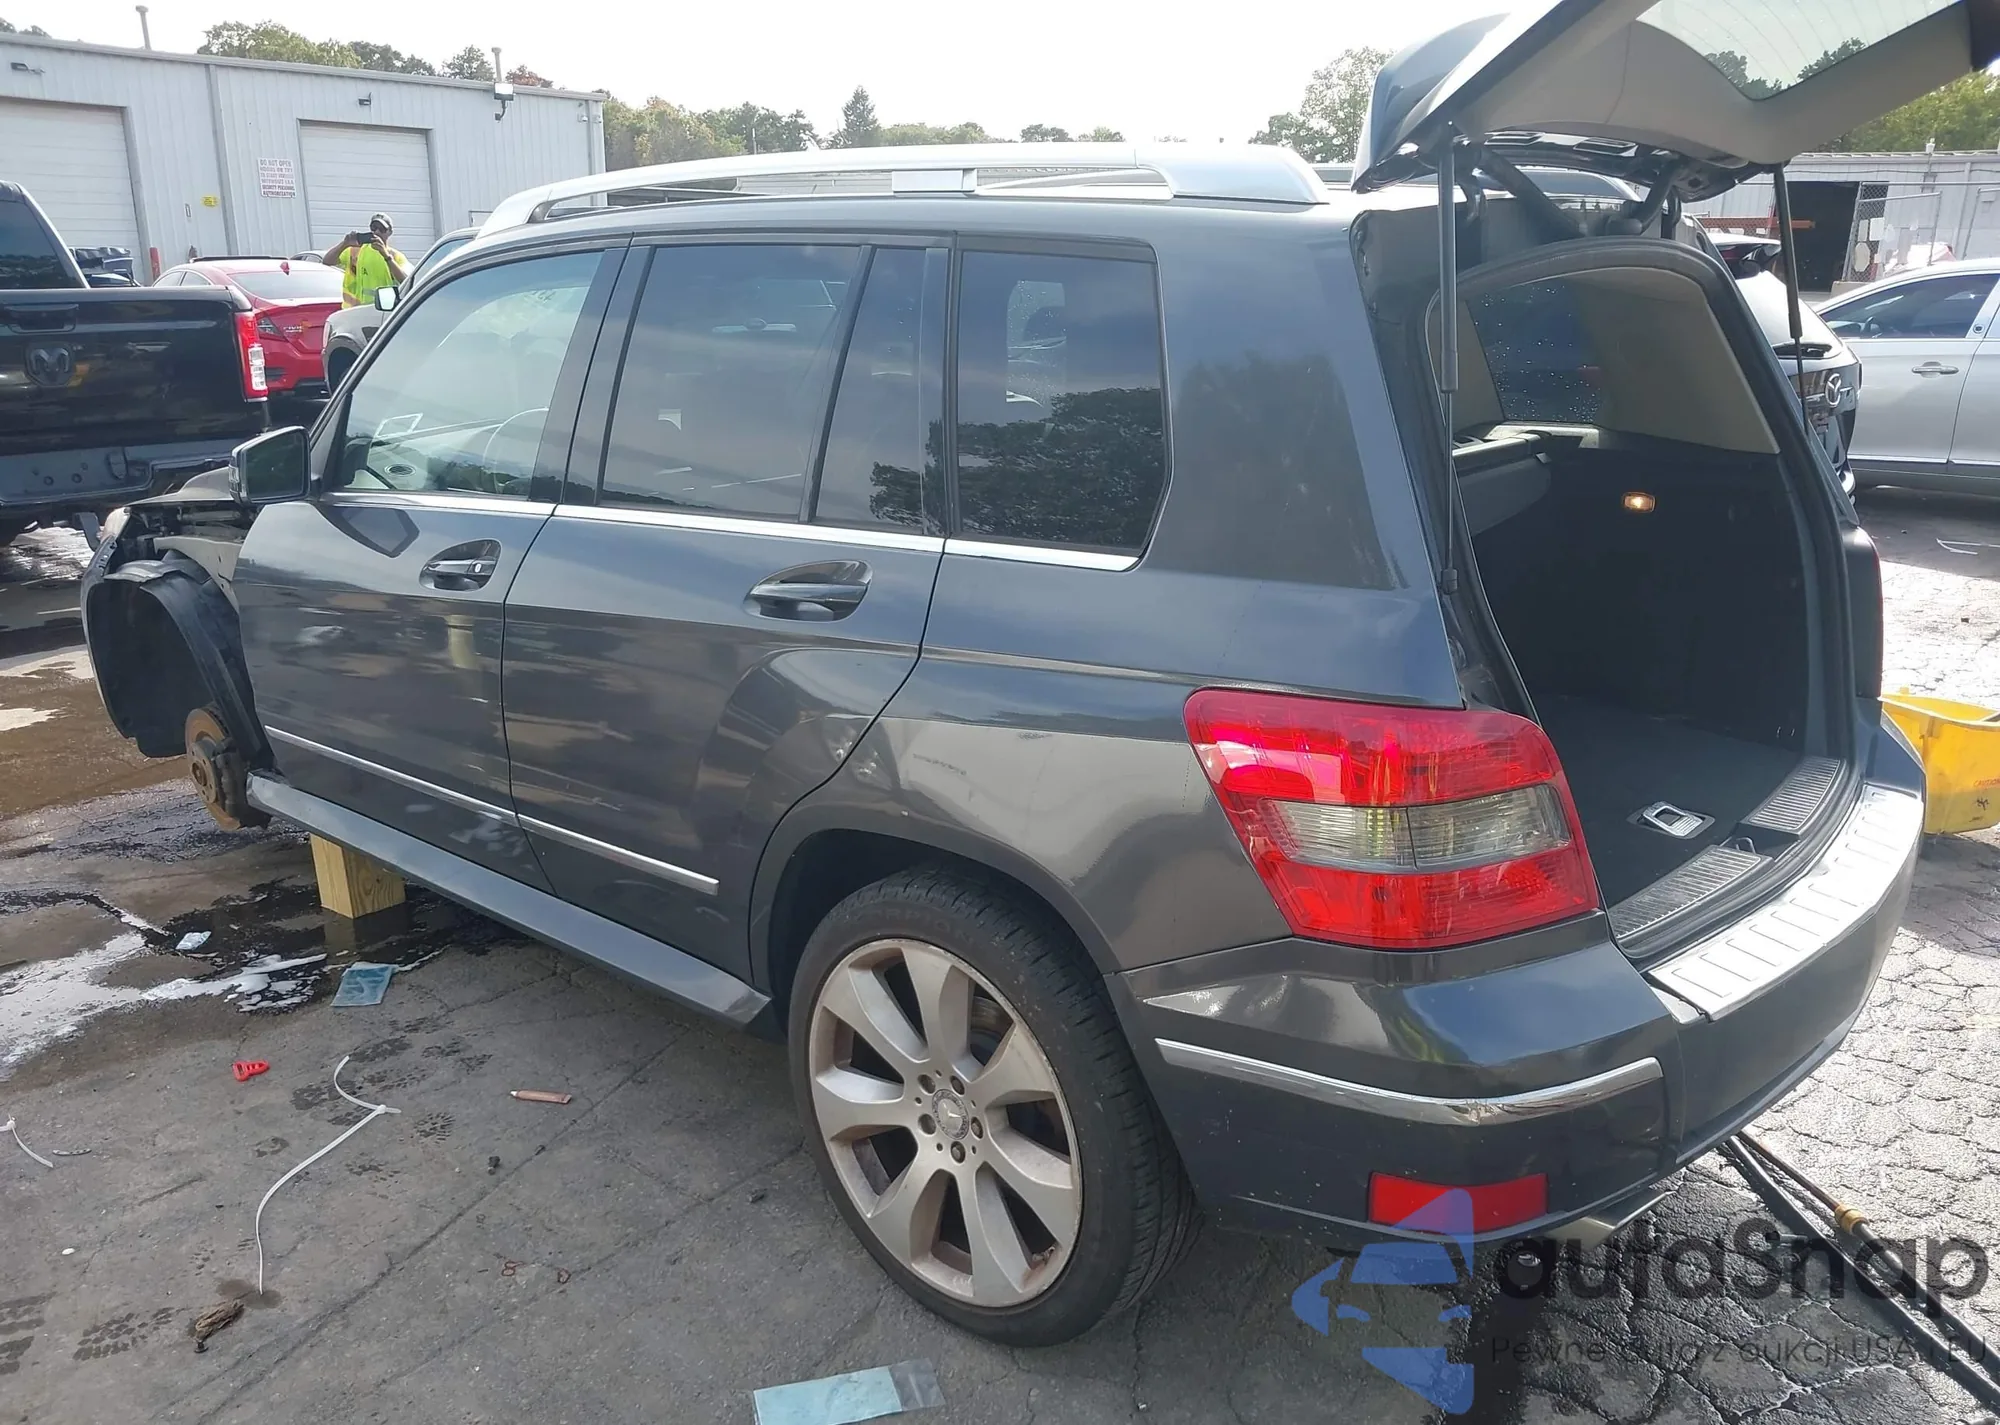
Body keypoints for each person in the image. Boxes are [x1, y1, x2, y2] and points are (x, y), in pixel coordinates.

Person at [322, 214, 411, 307]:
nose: (377, 232)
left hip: (380, 310)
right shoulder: (355, 250)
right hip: (352, 310)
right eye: (374, 228)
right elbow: (327, 261)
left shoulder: (395, 256)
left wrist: (386, 256)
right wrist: (344, 244)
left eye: (382, 229)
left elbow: (405, 281)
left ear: (390, 232)